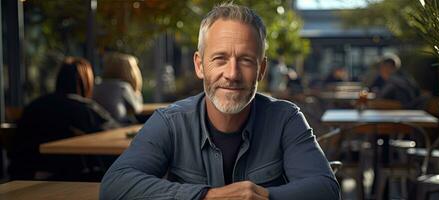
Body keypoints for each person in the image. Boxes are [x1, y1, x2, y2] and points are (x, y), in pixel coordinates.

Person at [100, 3, 340, 200]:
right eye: (220, 58)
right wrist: (208, 196)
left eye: (246, 60)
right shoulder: (170, 122)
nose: (232, 74)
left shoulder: (286, 119)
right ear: (199, 65)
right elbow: (114, 185)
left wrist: (261, 197)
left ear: (262, 69)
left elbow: (326, 189)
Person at [8, 57, 119, 180]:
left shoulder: (35, 105)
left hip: (23, 175)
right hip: (69, 179)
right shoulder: (85, 109)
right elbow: (115, 131)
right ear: (86, 82)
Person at [93, 52, 143, 124]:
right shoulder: (123, 87)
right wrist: (137, 94)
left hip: (99, 126)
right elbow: (137, 108)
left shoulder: (97, 84)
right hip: (118, 126)